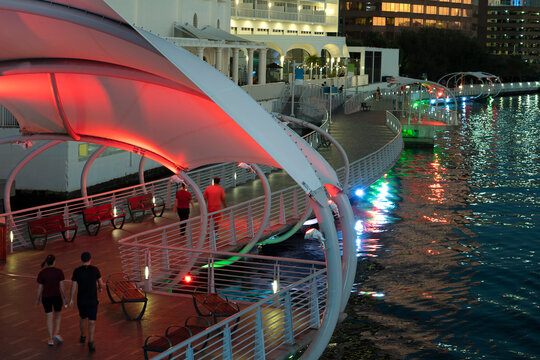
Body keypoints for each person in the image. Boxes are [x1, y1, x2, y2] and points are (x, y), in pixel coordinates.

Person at [69, 252, 104, 352]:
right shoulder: (95, 269)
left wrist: (71, 298)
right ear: (90, 259)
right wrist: (100, 288)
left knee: (82, 318)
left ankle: (83, 335)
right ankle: (91, 341)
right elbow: (100, 283)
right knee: (92, 321)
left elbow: (74, 286)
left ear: (81, 260)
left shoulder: (77, 271)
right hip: (92, 300)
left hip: (81, 299)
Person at [36, 254, 67, 346]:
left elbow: (40, 287)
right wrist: (65, 297)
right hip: (56, 296)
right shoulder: (59, 272)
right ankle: (56, 333)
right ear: (54, 262)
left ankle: (50, 339)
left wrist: (37, 299)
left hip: (46, 298)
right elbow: (62, 286)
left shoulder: (42, 273)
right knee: (57, 316)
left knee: (49, 317)